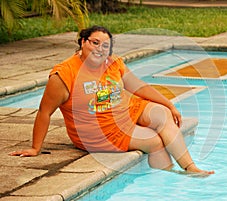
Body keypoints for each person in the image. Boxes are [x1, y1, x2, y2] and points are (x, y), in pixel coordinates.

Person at [10, 25, 214, 176]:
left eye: (105, 46)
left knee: (163, 114)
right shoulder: (64, 75)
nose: (100, 49)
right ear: (83, 42)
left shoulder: (112, 62)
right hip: (99, 130)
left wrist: (169, 104)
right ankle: (171, 175)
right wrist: (35, 148)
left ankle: (190, 167)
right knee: (155, 142)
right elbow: (44, 112)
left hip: (125, 110)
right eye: (94, 43)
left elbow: (139, 87)